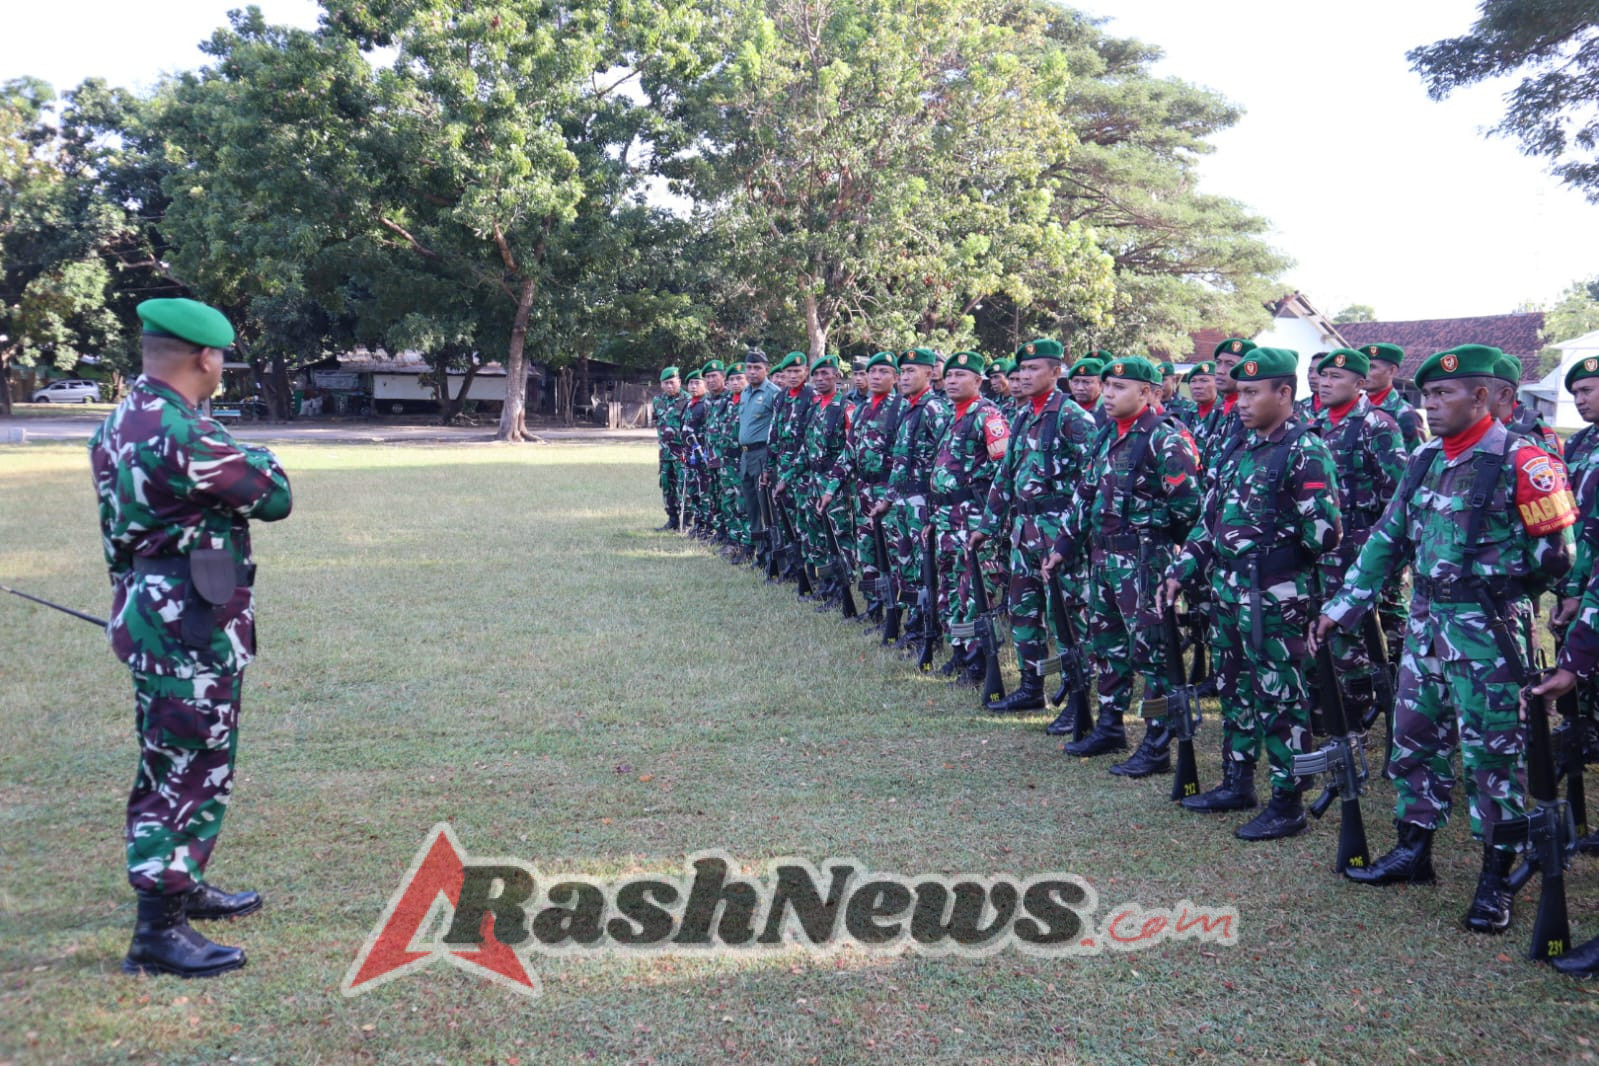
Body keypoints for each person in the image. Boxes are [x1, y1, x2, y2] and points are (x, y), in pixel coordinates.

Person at [1315, 344, 1576, 934]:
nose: (1430, 405)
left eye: (1443, 395)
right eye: (1427, 395)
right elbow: (1388, 537)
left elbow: (1558, 559)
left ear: (1483, 397)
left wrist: (1501, 590)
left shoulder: (1526, 461)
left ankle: (1495, 876)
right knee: (1413, 739)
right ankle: (1414, 850)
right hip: (1428, 623)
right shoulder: (1427, 457)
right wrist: (1345, 604)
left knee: (1492, 753)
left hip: (1488, 632)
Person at [89, 298, 293, 978]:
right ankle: (159, 930)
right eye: (222, 356)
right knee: (186, 767)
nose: (222, 365)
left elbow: (118, 539)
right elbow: (273, 494)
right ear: (204, 357)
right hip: (192, 627)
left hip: (153, 611)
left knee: (171, 757)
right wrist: (255, 449)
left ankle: (184, 883)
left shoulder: (119, 423)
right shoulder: (182, 433)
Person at [1160, 348, 1342, 841]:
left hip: (1275, 597)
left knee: (1281, 695)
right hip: (1228, 591)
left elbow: (1325, 534)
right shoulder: (1240, 447)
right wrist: (1183, 568)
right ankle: (1238, 781)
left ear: (1284, 394)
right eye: (1239, 392)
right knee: (1234, 688)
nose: (1241, 402)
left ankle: (1288, 800)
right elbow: (1210, 518)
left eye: (1253, 393)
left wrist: (1273, 556)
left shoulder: (1305, 450)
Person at [1044, 356, 1201, 768]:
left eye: (1119, 389)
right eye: (1107, 388)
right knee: (1108, 648)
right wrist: (1063, 543)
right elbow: (1085, 493)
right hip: (1103, 558)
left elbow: (1189, 509)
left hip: (1146, 562)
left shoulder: (1166, 439)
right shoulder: (1106, 434)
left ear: (1148, 393)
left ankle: (1157, 741)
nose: (1109, 395)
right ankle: (1111, 726)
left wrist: (1166, 551)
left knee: (1153, 653)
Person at [972, 338, 1096, 712]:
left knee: (1066, 617)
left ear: (1056, 373)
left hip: (1059, 535)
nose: (1023, 376)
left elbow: (1092, 485)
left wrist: (1071, 541)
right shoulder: (1024, 415)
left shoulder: (1074, 418)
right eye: (1021, 370)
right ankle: (1031, 688)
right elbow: (1005, 478)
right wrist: (987, 525)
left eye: (1033, 370)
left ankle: (1078, 697)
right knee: (1024, 612)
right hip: (1023, 533)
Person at [1311, 348, 1406, 729]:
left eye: (1336, 377)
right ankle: (1332, 699)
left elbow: (1397, 497)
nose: (1325, 382)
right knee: (1321, 625)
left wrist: (1382, 555)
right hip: (1322, 547)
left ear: (1360, 383)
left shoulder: (1378, 426)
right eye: (1322, 376)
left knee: (1351, 631)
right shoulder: (1314, 422)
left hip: (1360, 547)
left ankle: (1358, 709)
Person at [926, 351, 1011, 684]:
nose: (952, 381)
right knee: (949, 588)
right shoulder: (952, 415)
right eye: (949, 375)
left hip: (972, 518)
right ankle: (960, 650)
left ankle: (979, 658)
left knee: (974, 589)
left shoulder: (986, 414)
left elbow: (1002, 466)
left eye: (961, 375)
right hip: (947, 518)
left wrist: (987, 514)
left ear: (978, 381)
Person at [821, 352, 904, 622]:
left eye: (883, 371)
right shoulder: (862, 409)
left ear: (895, 377)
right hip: (863, 495)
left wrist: (890, 497)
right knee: (867, 553)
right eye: (873, 372)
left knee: (892, 557)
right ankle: (873, 609)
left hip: (890, 497)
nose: (876, 376)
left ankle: (897, 613)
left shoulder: (901, 408)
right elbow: (848, 454)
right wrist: (830, 489)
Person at [737, 351, 781, 566]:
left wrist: (771, 461)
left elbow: (779, 430)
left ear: (767, 369)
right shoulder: (745, 393)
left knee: (767, 508)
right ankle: (758, 551)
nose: (752, 372)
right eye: (749, 368)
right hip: (745, 455)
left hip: (762, 455)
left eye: (757, 368)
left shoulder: (774, 393)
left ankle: (773, 555)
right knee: (751, 506)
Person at [1361, 343, 1427, 452]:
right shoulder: (1354, 408)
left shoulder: (1404, 413)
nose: (1365, 373)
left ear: (1392, 371)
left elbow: (1419, 458)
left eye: (1371, 367)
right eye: (1363, 367)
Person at [651, 367, 688, 530]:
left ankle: (687, 522)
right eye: (666, 383)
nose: (670, 386)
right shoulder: (657, 401)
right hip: (665, 453)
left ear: (679, 382)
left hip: (682, 453)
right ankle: (672, 519)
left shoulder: (687, 400)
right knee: (667, 486)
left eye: (672, 383)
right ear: (661, 384)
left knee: (684, 486)